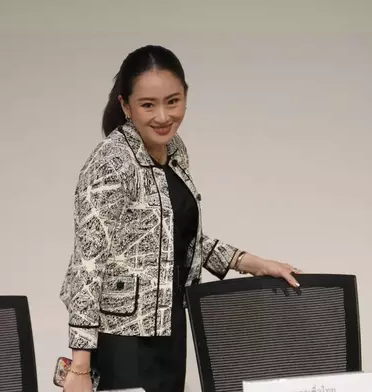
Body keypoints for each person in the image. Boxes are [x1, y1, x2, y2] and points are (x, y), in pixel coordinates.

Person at [59, 45, 302, 392]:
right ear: (125, 105)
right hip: (121, 340)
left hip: (169, 326)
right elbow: (88, 262)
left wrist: (255, 263)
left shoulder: (174, 150)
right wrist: (80, 367)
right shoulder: (112, 162)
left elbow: (179, 241)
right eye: (147, 105)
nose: (163, 116)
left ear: (186, 96)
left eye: (173, 101)